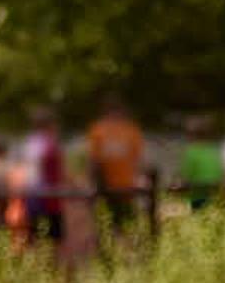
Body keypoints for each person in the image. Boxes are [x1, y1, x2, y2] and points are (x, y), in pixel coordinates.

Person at [85, 94, 150, 239]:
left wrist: (89, 184)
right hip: (125, 188)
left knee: (106, 227)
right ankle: (125, 257)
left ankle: (110, 257)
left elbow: (93, 161)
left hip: (108, 188)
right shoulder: (131, 130)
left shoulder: (98, 130)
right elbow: (140, 161)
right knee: (127, 228)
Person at [13, 105, 69, 247]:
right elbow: (56, 172)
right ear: (49, 125)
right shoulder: (48, 144)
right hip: (47, 200)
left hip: (34, 198)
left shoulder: (29, 144)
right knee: (51, 243)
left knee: (36, 241)